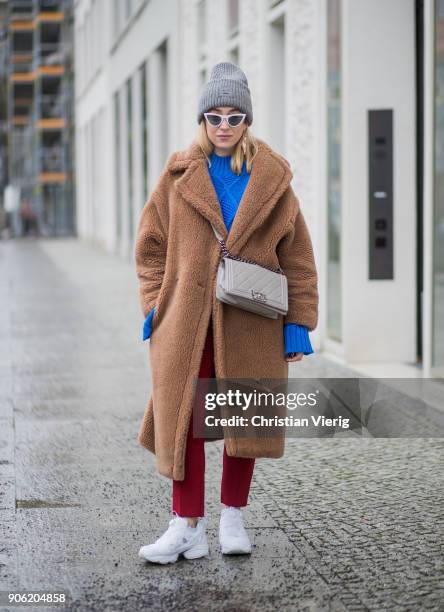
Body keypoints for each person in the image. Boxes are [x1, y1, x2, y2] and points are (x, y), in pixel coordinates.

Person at [135, 62, 319, 564]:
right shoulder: (177, 177)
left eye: (234, 116)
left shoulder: (272, 179)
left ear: (247, 121)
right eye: (214, 116)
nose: (223, 126)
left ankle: (232, 516)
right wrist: (155, 304)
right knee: (183, 421)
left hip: (252, 320)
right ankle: (185, 525)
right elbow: (151, 246)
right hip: (186, 320)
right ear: (202, 119)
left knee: (245, 415)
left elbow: (298, 256)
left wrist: (298, 322)